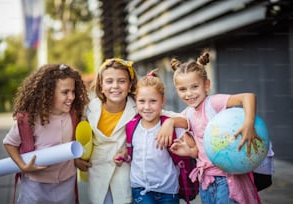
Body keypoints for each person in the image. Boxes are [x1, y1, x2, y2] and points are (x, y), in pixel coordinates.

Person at [164, 51, 262, 204]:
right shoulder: (187, 114)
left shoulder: (213, 103)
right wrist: (190, 152)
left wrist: (248, 124)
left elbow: (248, 96)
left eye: (194, 87)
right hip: (205, 180)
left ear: (207, 85)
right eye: (183, 89)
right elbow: (200, 150)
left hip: (227, 179)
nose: (189, 94)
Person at [85, 58, 186, 204]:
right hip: (98, 172)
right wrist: (78, 159)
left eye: (121, 81)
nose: (115, 86)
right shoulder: (90, 108)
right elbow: (82, 136)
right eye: (109, 81)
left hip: (125, 174)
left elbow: (183, 119)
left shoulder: (139, 107)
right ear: (101, 85)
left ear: (130, 84)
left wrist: (171, 122)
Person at [3, 64, 89, 204]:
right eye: (65, 92)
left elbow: (69, 145)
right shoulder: (30, 119)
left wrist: (76, 160)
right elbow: (9, 143)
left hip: (66, 183)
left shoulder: (74, 116)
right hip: (36, 186)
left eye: (73, 91)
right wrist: (22, 166)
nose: (71, 97)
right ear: (48, 93)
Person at [113, 69, 198, 204]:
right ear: (136, 101)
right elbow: (132, 152)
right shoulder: (131, 126)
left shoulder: (168, 123)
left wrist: (172, 124)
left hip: (168, 190)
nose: (147, 107)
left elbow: (188, 124)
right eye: (142, 101)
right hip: (140, 188)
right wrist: (124, 156)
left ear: (162, 100)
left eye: (153, 101)